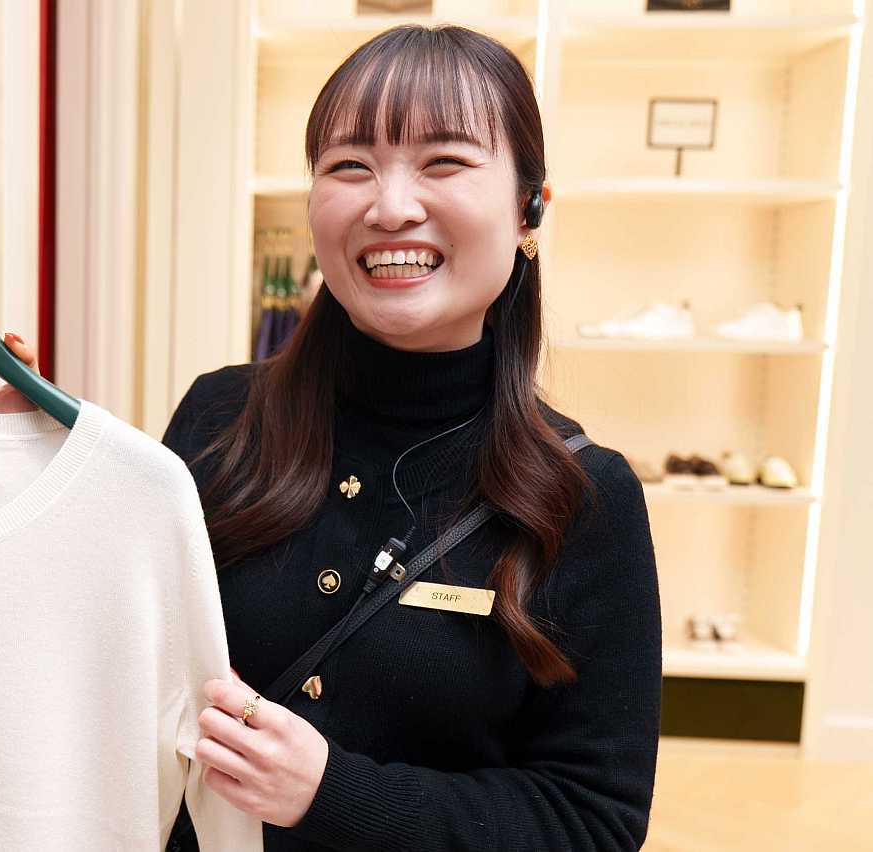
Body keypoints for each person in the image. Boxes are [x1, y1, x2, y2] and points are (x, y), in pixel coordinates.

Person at [158, 25, 662, 851]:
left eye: (444, 162)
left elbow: (592, 821)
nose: (390, 207)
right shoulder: (219, 416)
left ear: (530, 207)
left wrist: (331, 793)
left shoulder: (584, 496)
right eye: (349, 166)